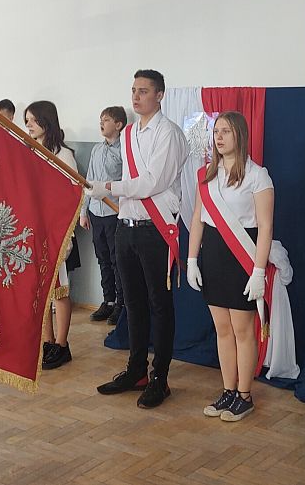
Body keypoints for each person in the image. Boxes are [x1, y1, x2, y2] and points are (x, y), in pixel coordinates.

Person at [90, 69, 187, 408]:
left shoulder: (169, 134)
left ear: (159, 95)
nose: (136, 96)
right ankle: (136, 370)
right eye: (133, 90)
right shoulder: (129, 133)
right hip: (126, 227)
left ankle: (160, 377)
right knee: (133, 303)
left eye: (143, 91)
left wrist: (109, 187)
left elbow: (152, 182)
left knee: (159, 304)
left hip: (154, 229)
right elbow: (132, 179)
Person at [186, 112, 274, 422]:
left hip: (242, 259)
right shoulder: (207, 175)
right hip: (213, 257)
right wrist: (192, 259)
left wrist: (259, 271)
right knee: (222, 329)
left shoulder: (258, 175)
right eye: (216, 132)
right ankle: (228, 390)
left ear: (240, 135)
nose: (219, 137)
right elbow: (198, 218)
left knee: (242, 331)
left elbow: (265, 227)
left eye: (226, 131)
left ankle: (244, 396)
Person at [24, 101, 81, 370]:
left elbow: (72, 194)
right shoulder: (30, 151)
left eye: (33, 120)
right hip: (34, 228)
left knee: (59, 288)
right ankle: (46, 341)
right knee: (41, 289)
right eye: (26, 120)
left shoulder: (63, 155)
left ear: (46, 121)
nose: (28, 125)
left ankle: (61, 343)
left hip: (55, 230)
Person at [80, 106, 126, 324]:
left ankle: (121, 303)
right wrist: (84, 211)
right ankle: (108, 300)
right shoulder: (97, 150)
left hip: (114, 212)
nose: (101, 123)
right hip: (96, 212)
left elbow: (126, 182)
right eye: (100, 119)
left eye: (106, 120)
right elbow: (88, 181)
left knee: (117, 260)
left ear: (118, 124)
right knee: (103, 259)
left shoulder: (124, 151)